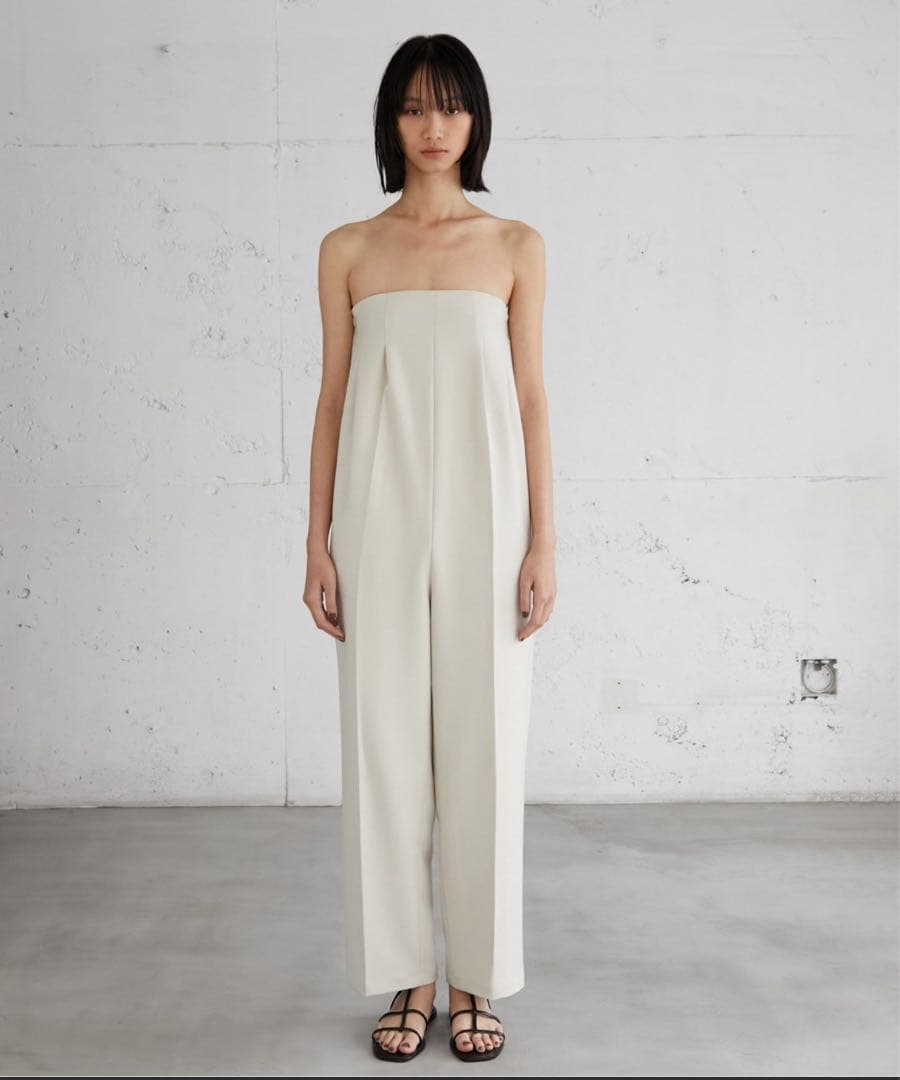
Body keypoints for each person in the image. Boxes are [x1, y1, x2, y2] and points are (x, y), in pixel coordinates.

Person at [303, 33, 556, 1062]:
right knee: (385, 745)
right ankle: (408, 976)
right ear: (390, 122)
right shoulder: (349, 249)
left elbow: (531, 397)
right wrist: (317, 542)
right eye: (412, 107)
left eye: (449, 105)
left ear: (475, 118)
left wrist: (544, 542)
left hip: (492, 513)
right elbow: (331, 399)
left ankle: (475, 981)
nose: (433, 126)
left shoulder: (515, 245)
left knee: (487, 743)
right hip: (377, 511)